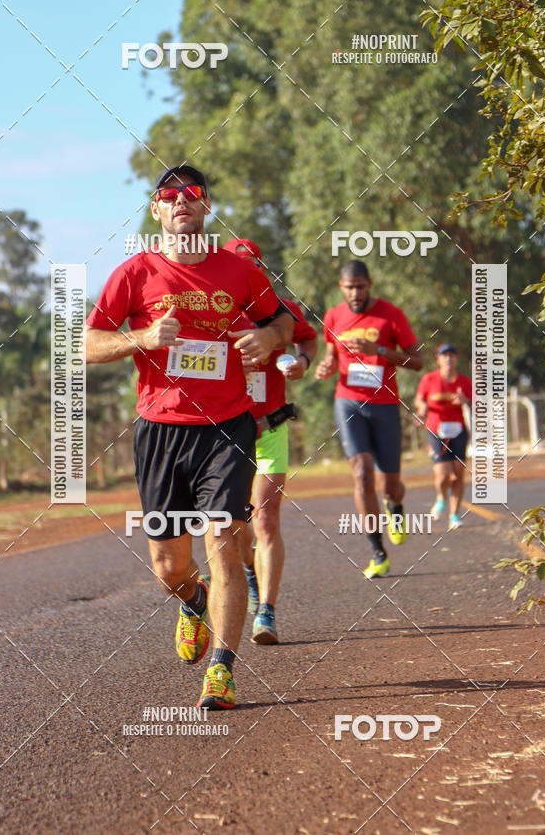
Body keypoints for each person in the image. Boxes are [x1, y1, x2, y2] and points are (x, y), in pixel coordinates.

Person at [84, 165, 293, 710]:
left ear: (206, 207)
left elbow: (283, 323)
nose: (181, 202)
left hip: (228, 427)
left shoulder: (240, 270)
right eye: (169, 195)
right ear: (156, 209)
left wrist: (265, 337)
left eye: (192, 194)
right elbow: (87, 345)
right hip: (161, 431)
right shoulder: (135, 273)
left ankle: (221, 672)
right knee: (169, 568)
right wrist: (144, 336)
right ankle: (193, 600)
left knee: (225, 541)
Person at [223, 238, 318, 644]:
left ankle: (267, 611)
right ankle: (249, 570)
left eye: (254, 268)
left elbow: (307, 338)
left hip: (272, 428)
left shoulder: (282, 311)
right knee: (233, 525)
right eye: (240, 266)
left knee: (265, 517)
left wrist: (302, 361)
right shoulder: (216, 313)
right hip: (228, 430)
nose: (249, 274)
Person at [315, 260, 422, 578]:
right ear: (341, 287)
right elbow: (331, 356)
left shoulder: (391, 314)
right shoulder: (333, 316)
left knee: (390, 486)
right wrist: (326, 367)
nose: (355, 292)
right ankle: (377, 551)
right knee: (361, 474)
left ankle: (395, 506)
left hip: (385, 405)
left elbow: (417, 360)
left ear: (370, 284)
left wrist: (380, 350)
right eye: (349, 287)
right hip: (348, 403)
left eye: (360, 286)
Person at [414, 345, 473, 529]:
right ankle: (441, 496)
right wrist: (422, 409)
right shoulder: (429, 379)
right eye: (444, 356)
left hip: (458, 431)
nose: (448, 359)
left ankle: (454, 515)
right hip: (436, 431)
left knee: (458, 474)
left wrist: (466, 401)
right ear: (438, 359)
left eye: (452, 356)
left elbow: (476, 406)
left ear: (457, 359)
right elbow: (420, 399)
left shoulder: (464, 381)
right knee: (443, 475)